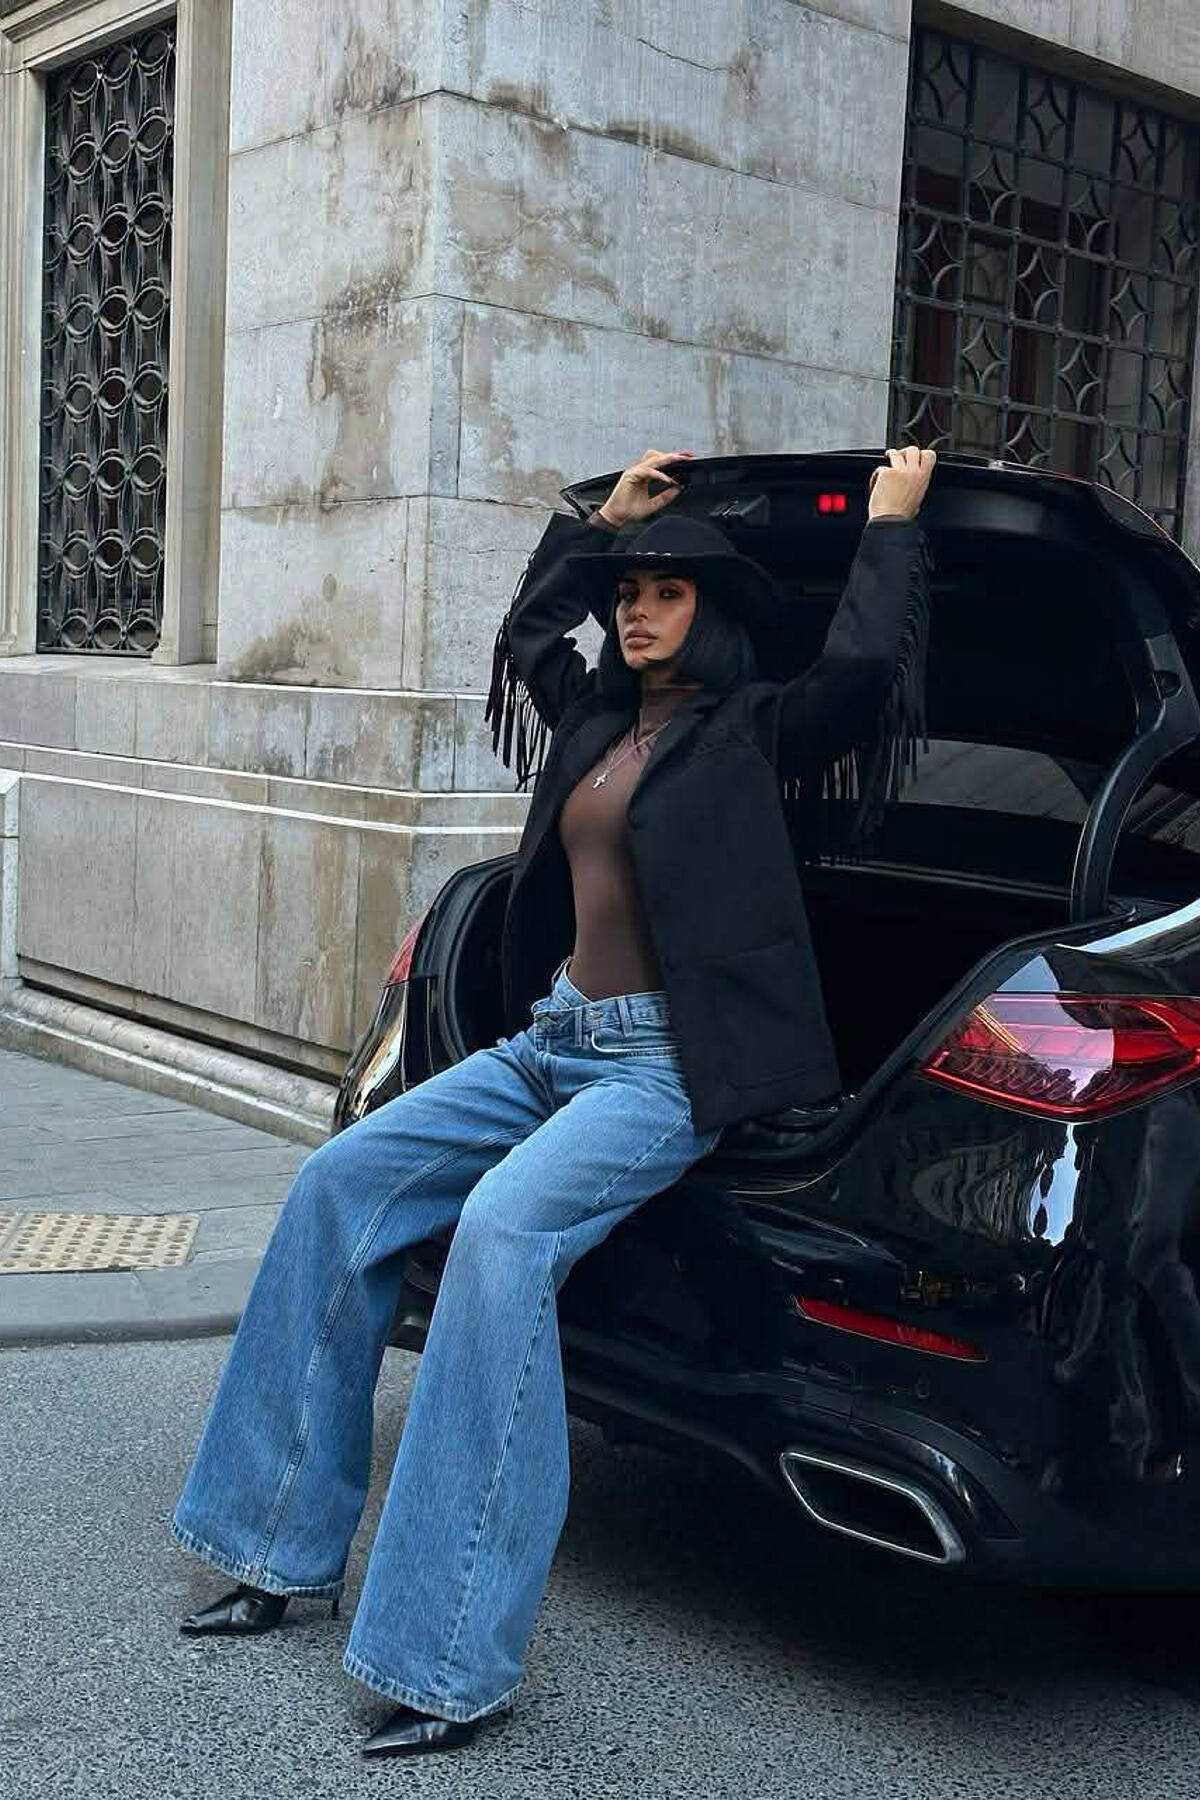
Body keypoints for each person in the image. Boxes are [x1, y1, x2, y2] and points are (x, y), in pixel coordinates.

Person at [169, 443, 936, 1760]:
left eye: (667, 592)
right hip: (550, 1041)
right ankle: (273, 1546)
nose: (637, 610)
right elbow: (533, 630)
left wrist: (894, 525)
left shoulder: (749, 732)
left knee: (501, 1232)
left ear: (716, 614)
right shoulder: (591, 720)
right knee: (339, 1181)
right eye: (629, 591)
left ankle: (445, 1651)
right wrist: (594, 524)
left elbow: (860, 674)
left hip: (663, 1068)